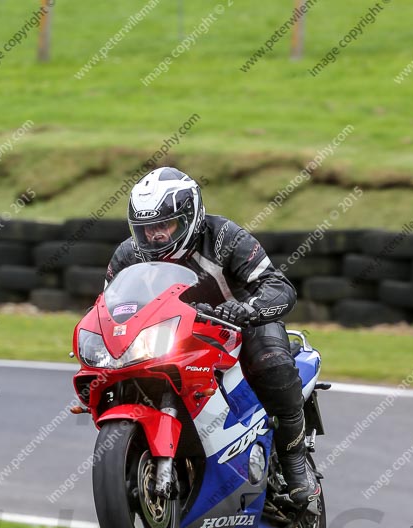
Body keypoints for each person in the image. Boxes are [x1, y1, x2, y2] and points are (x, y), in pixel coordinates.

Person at [105, 167, 319, 505]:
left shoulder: (224, 238)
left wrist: (247, 309)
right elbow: (110, 309)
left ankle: (294, 465)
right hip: (176, 338)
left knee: (271, 364)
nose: (155, 237)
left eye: (164, 226)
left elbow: (278, 286)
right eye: (145, 229)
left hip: (241, 326)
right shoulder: (128, 256)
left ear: (190, 217)